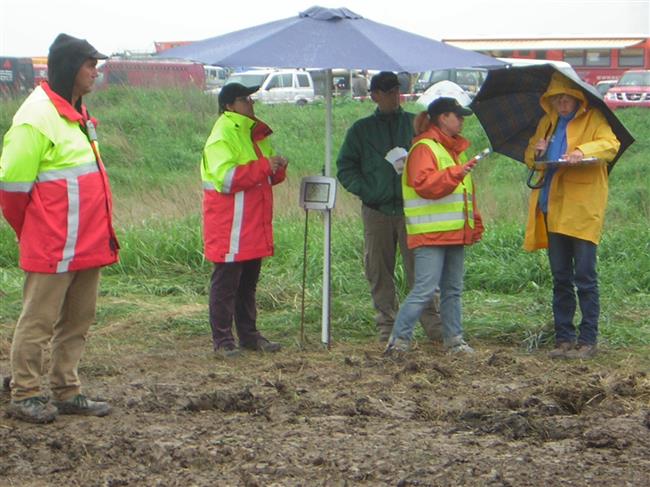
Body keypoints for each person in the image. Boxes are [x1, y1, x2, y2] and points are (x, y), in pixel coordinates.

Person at [0, 34, 118, 423]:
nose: (95, 72)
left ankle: (67, 389)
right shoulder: (35, 117)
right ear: (70, 67)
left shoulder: (76, 112)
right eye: (90, 64)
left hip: (87, 242)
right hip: (53, 243)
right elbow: (13, 189)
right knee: (38, 321)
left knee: (79, 320)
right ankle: (25, 393)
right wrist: (35, 231)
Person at [337, 71, 442, 344]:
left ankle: (433, 324)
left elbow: (436, 155)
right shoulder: (361, 130)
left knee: (421, 269)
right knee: (379, 269)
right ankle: (386, 325)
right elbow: (345, 167)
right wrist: (368, 190)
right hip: (377, 210)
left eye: (396, 90)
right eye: (387, 91)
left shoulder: (415, 124)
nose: (394, 95)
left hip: (412, 210)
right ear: (375, 95)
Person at [523, 73, 620, 359]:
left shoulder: (594, 119)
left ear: (577, 98)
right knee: (561, 277)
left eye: (566, 98)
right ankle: (563, 338)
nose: (562, 103)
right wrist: (536, 151)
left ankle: (588, 340)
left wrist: (582, 150)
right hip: (551, 208)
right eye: (557, 98)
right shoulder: (548, 123)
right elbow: (532, 158)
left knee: (585, 277)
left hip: (581, 210)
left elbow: (610, 145)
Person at [384, 97, 484, 355]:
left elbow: (462, 195)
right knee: (425, 289)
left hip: (452, 233)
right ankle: (398, 340)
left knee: (452, 290)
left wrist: (473, 224)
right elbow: (425, 185)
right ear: (443, 118)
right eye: (457, 115)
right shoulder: (425, 148)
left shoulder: (452, 150)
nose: (461, 120)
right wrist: (457, 173)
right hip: (430, 234)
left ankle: (455, 341)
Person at [202, 83, 287, 358]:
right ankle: (223, 341)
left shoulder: (254, 133)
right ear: (229, 105)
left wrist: (276, 169)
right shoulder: (223, 133)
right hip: (230, 224)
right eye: (244, 99)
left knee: (247, 282)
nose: (251, 103)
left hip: (250, 222)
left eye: (251, 98)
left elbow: (263, 178)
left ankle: (249, 336)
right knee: (226, 284)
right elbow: (226, 179)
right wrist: (265, 167)